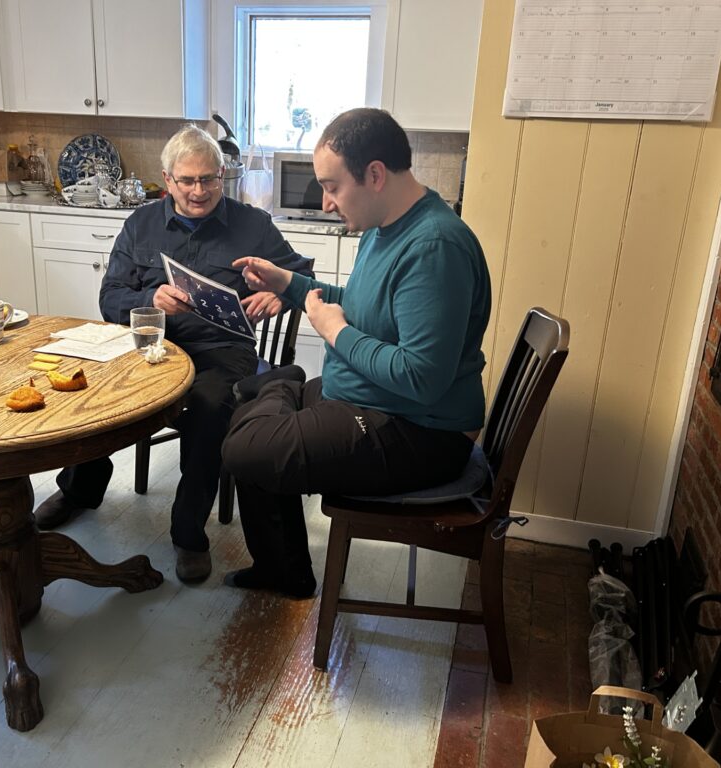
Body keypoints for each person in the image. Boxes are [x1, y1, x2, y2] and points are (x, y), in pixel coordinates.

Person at [221, 108, 491, 599]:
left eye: (332, 186)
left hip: (420, 431)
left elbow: (422, 377)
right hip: (377, 401)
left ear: (374, 175)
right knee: (254, 393)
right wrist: (291, 283)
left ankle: (280, 400)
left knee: (244, 445)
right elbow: (363, 303)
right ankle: (283, 569)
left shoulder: (434, 247)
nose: (325, 203)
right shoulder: (386, 227)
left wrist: (336, 332)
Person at [34, 124, 313, 583]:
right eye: (187, 181)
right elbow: (110, 298)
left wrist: (281, 295)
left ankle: (188, 535)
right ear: (168, 180)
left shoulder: (253, 226)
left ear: (222, 175)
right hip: (151, 343)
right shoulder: (140, 224)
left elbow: (301, 272)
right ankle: (79, 490)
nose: (199, 191)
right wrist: (149, 301)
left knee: (207, 409)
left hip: (222, 350)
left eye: (209, 179)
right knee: (96, 388)